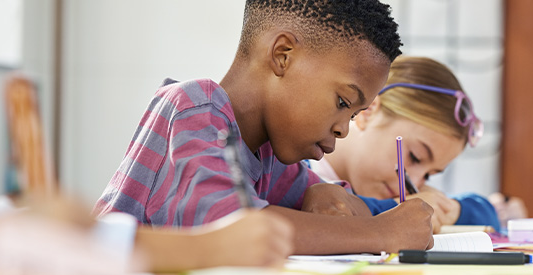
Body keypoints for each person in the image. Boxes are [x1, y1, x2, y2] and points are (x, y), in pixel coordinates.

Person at [94, 0, 434, 255]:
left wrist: (324, 193)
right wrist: (379, 233)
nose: (344, 130)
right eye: (344, 103)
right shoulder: (195, 107)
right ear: (283, 55)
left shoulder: (270, 154)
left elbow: (341, 208)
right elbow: (233, 229)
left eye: (354, 116)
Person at [308, 56, 526, 232]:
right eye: (415, 157)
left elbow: (477, 211)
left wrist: (454, 210)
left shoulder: (385, 190)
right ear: (369, 111)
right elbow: (339, 216)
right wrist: (397, 211)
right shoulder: (297, 172)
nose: (415, 182)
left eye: (429, 175)